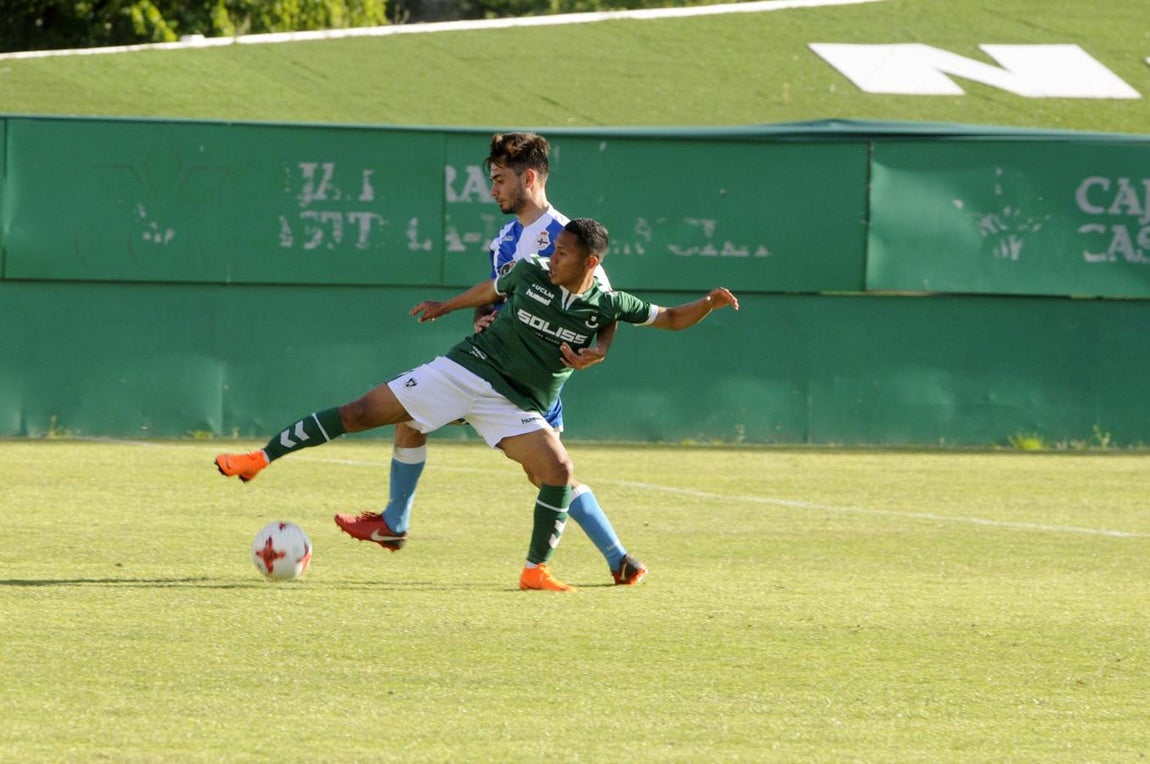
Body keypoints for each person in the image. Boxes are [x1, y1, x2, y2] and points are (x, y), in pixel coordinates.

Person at [216, 218, 739, 592]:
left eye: (563, 253)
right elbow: (492, 287)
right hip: (467, 368)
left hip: (515, 402)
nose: (553, 257)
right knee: (360, 413)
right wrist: (446, 306)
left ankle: (534, 571)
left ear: (591, 262)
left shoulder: (607, 303)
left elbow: (671, 318)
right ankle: (259, 459)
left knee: (557, 471)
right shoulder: (532, 271)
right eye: (554, 248)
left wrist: (709, 304)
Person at [360, 131, 647, 586]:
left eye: (499, 179)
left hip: (530, 380)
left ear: (528, 178)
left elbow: (606, 303)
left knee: (545, 476)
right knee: (410, 416)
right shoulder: (507, 239)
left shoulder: (564, 236)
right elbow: (496, 295)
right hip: (490, 368)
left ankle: (617, 558)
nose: (492, 190)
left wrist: (601, 348)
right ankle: (395, 522)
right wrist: (482, 317)